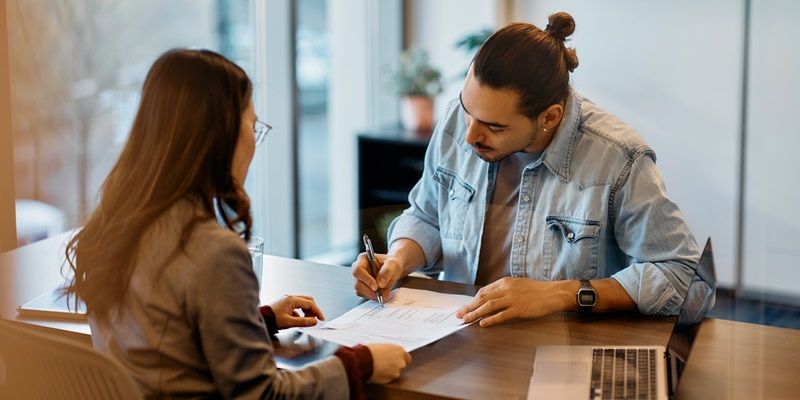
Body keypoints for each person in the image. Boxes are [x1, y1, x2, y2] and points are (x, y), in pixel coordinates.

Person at [64, 49, 410, 399]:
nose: (254, 144)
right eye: (253, 125)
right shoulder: (212, 251)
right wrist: (360, 363)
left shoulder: (118, 226)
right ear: (220, 135)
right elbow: (261, 394)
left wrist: (256, 320)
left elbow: (163, 342)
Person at [352, 12, 713, 327]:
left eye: (494, 126)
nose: (469, 134)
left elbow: (683, 277)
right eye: (467, 108)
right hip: (456, 334)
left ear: (549, 117)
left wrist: (559, 295)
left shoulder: (618, 158)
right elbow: (428, 217)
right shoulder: (457, 122)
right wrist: (398, 260)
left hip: (562, 349)